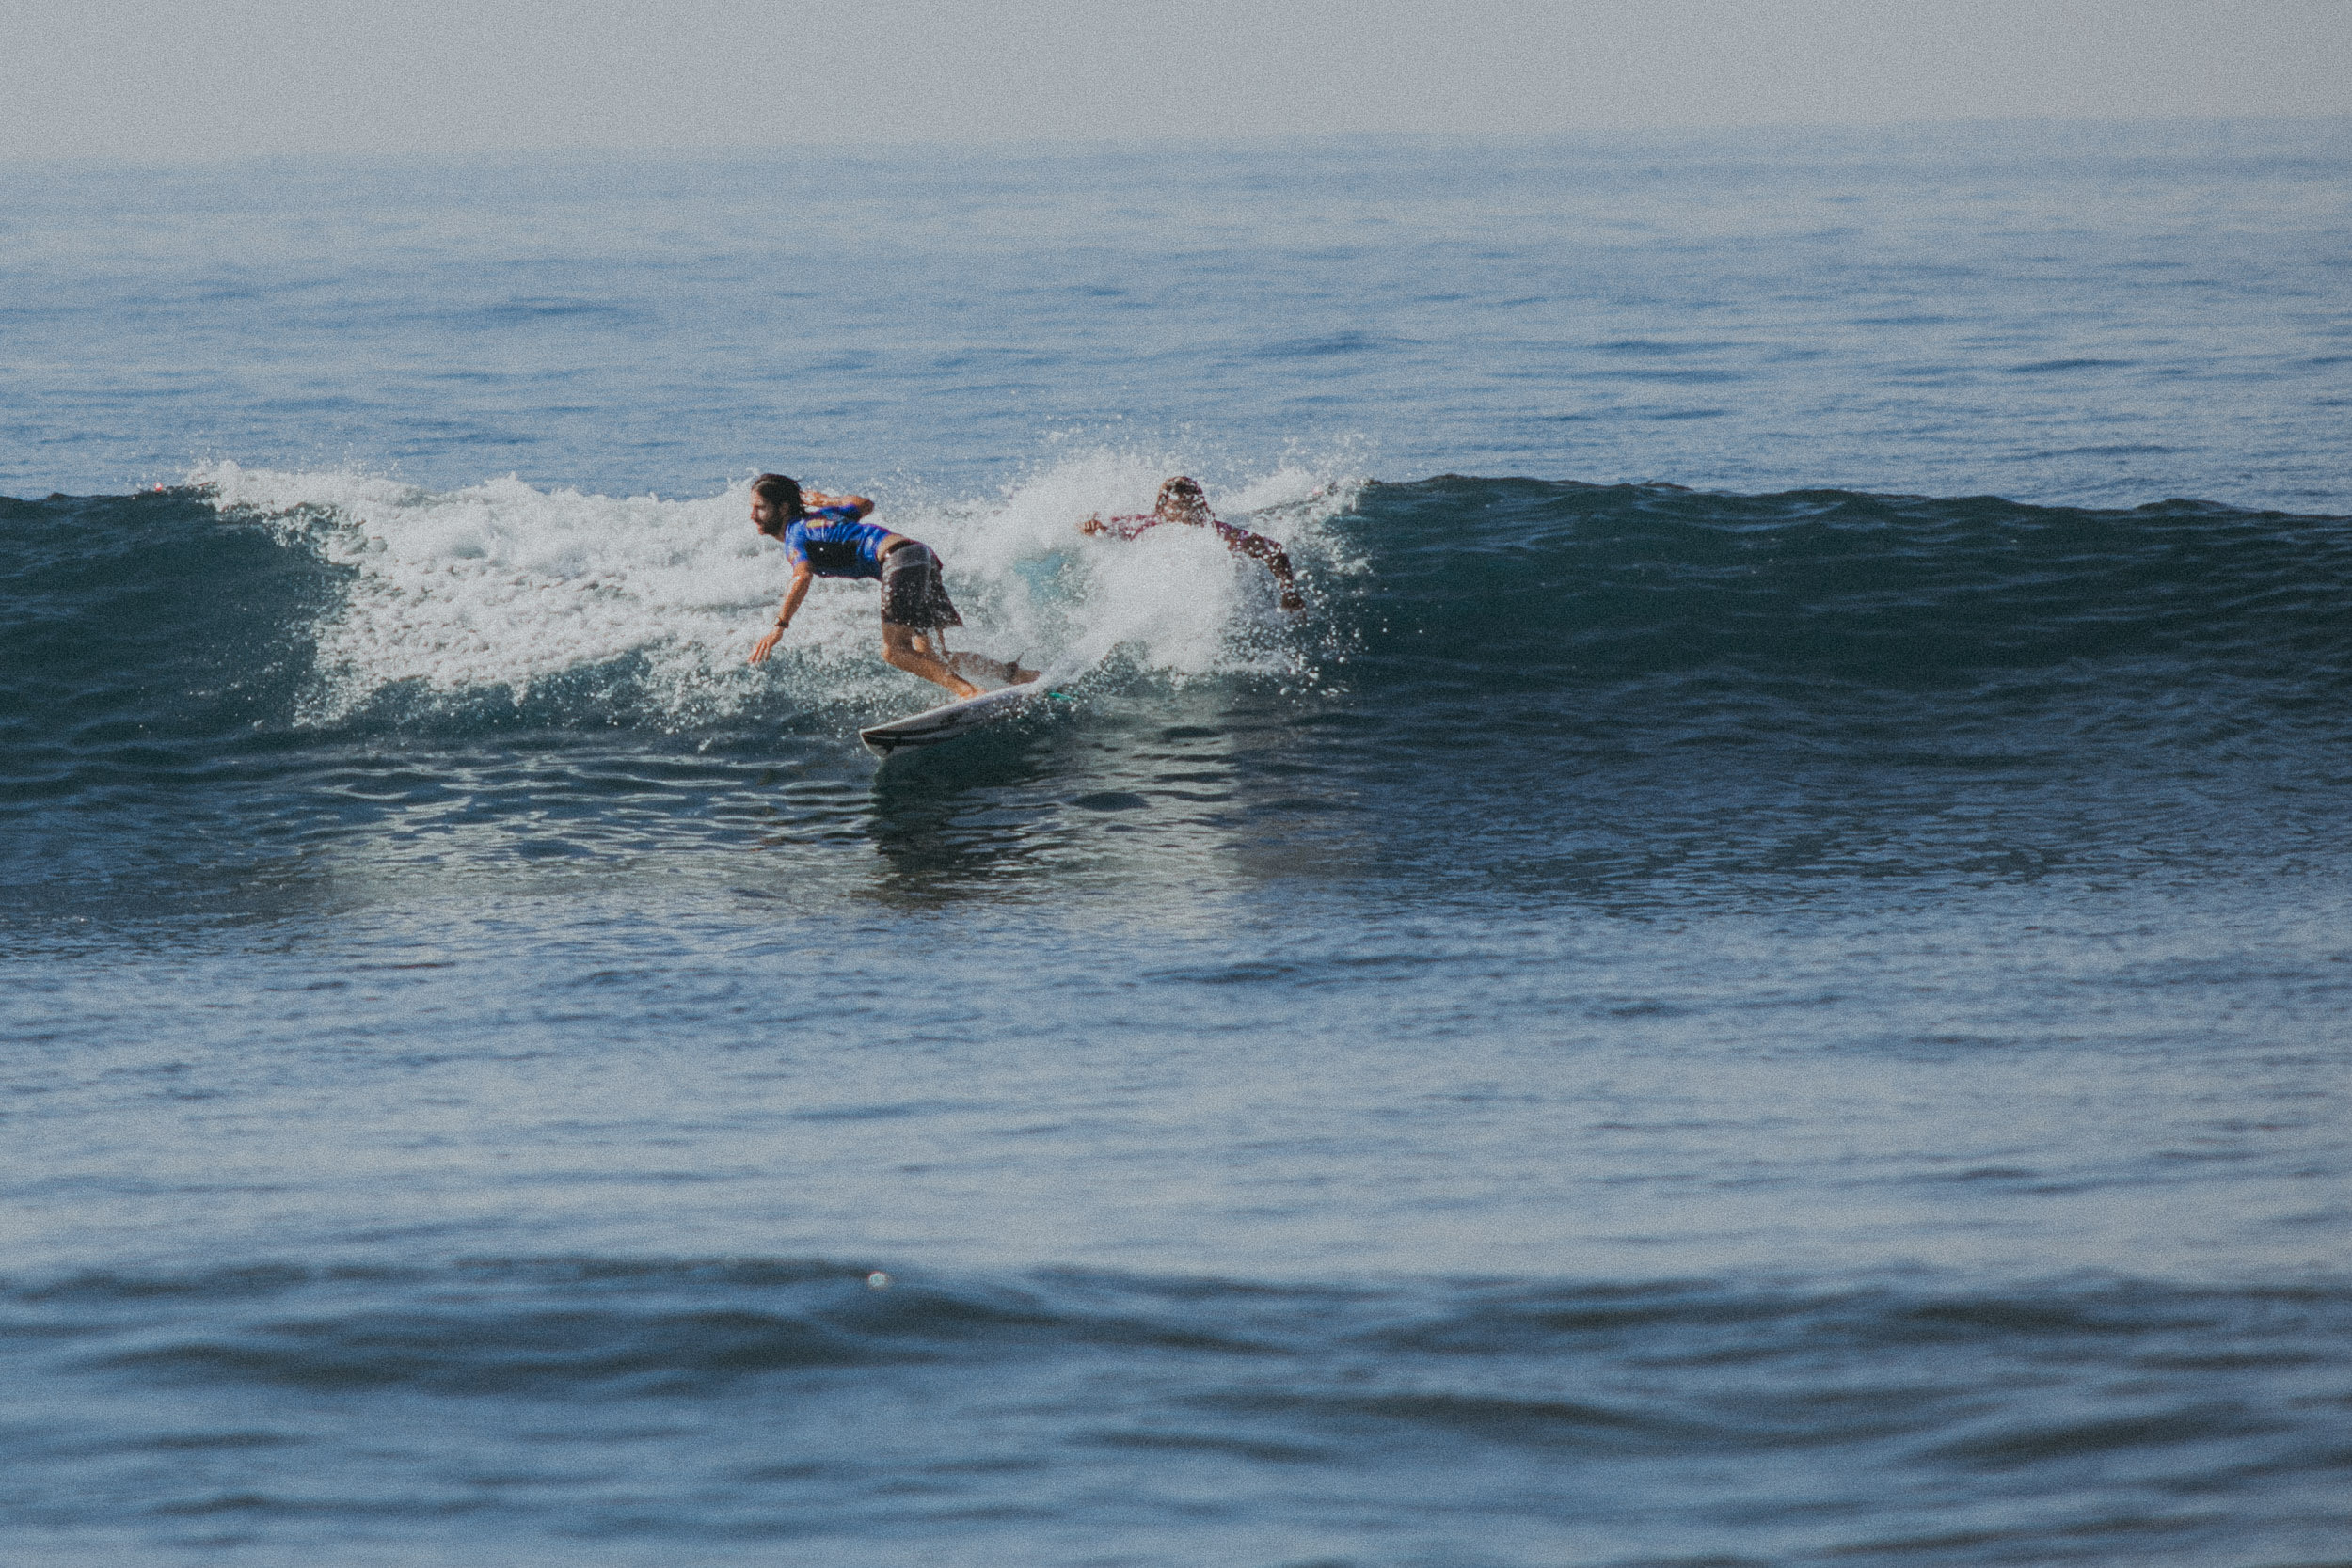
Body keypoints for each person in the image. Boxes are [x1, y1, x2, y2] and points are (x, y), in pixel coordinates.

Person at [747, 473, 1029, 699]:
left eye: (760, 508)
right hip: (920, 555)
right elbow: (864, 503)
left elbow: (802, 575)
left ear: (783, 508)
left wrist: (779, 626)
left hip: (899, 560)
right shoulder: (828, 516)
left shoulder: (796, 534)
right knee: (932, 656)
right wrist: (826, 500)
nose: (753, 515)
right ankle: (1017, 675)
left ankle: (969, 693)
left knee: (894, 651)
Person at [1079, 476, 1305, 611]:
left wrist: (1289, 593)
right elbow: (1106, 530)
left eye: (1192, 506)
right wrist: (1092, 527)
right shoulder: (1145, 524)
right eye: (1178, 506)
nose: (1186, 513)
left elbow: (1274, 551)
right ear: (1162, 508)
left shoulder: (1217, 533)